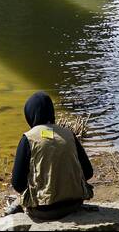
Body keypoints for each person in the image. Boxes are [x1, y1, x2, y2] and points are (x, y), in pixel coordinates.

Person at [6, 91, 94, 221]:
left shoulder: (29, 138)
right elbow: (88, 173)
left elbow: (17, 184)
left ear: (30, 114)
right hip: (74, 204)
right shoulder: (68, 134)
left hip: (43, 210)